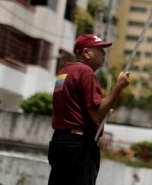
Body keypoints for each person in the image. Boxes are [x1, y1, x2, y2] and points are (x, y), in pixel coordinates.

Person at [48, 34, 131, 185]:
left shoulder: (66, 71)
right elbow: (96, 115)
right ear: (86, 52)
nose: (104, 54)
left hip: (60, 143)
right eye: (100, 49)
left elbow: (74, 105)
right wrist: (119, 86)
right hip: (78, 146)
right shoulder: (85, 72)